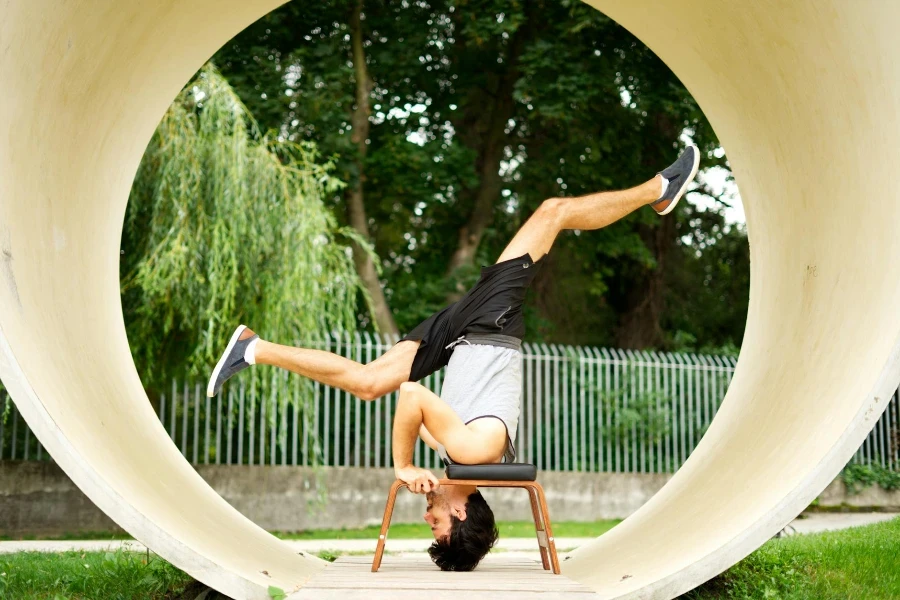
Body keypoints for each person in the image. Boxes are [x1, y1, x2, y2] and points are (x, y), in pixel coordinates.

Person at [206, 144, 700, 570]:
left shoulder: (462, 456)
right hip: (489, 327)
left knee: (366, 382)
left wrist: (424, 463)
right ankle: (659, 189)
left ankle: (253, 348)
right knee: (553, 212)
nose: (427, 515)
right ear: (461, 514)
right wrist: (402, 466)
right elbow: (413, 396)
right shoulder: (470, 453)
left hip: (458, 341)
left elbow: (417, 415)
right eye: (436, 523)